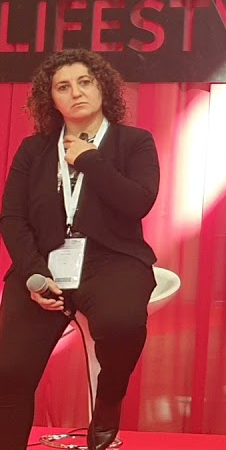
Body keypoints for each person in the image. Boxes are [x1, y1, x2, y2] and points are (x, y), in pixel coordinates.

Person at [0, 49, 159, 450]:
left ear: (102, 86)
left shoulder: (134, 142)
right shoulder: (34, 150)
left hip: (112, 261)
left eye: (85, 82)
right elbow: (12, 218)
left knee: (122, 325)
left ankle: (108, 400)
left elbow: (137, 202)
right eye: (63, 87)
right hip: (44, 263)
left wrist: (89, 159)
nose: (76, 93)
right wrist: (34, 273)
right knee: (9, 373)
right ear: (50, 99)